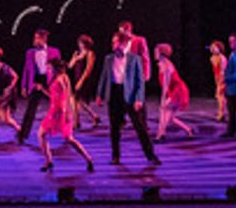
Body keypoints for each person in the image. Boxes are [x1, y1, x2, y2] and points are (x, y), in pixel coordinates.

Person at [94, 30, 160, 166]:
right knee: (114, 128)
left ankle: (151, 155)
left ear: (123, 43)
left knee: (140, 127)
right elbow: (103, 77)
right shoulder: (108, 58)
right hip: (114, 94)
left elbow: (139, 81)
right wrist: (99, 94)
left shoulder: (134, 59)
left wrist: (139, 99)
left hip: (130, 94)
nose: (112, 44)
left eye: (115, 41)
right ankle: (115, 156)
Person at [37, 58, 94, 173]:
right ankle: (49, 161)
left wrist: (68, 112)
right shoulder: (57, 78)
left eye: (49, 67)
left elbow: (68, 96)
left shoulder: (62, 78)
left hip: (61, 112)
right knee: (42, 134)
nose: (48, 70)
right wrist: (42, 89)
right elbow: (53, 96)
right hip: (54, 111)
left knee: (67, 138)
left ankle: (88, 159)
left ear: (54, 67)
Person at [15, 29, 60, 144]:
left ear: (44, 39)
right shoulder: (30, 52)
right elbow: (26, 70)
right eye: (34, 38)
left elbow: (58, 69)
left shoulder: (54, 51)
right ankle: (23, 134)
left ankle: (65, 131)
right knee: (31, 107)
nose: (35, 40)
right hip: (36, 80)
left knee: (57, 105)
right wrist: (24, 86)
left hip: (49, 80)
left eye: (37, 38)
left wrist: (59, 84)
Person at [154, 43, 195, 141]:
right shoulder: (162, 64)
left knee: (164, 109)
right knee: (170, 118)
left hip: (178, 91)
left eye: (156, 51)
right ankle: (189, 130)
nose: (155, 53)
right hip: (174, 90)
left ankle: (160, 135)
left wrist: (164, 98)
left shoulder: (166, 65)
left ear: (161, 53)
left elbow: (166, 83)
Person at [68, 34, 99, 130]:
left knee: (74, 99)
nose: (80, 45)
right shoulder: (77, 53)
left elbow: (88, 69)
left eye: (81, 43)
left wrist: (81, 81)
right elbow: (70, 66)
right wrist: (74, 59)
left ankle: (76, 122)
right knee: (78, 101)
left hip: (85, 79)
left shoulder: (90, 53)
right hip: (77, 78)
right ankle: (94, 116)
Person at [208, 40, 228, 122]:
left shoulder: (222, 58)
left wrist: (221, 81)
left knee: (220, 96)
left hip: (224, 78)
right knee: (220, 96)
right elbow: (215, 70)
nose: (213, 49)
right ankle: (222, 113)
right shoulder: (212, 58)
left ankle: (221, 114)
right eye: (212, 47)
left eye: (215, 47)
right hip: (217, 78)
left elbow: (223, 71)